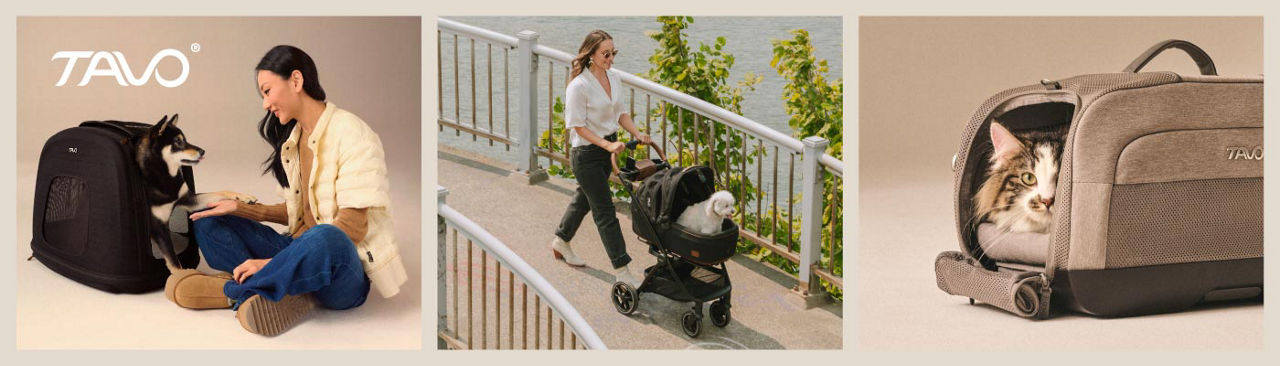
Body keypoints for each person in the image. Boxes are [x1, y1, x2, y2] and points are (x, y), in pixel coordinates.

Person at [163, 45, 407, 337]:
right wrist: (241, 209)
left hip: (342, 270)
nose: (265, 104)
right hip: (297, 249)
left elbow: (351, 228)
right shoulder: (295, 139)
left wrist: (270, 263)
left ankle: (232, 292)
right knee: (207, 217)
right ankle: (286, 288)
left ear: (295, 80)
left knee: (326, 235)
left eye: (267, 91)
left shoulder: (353, 134)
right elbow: (301, 213)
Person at [550, 30, 651, 287]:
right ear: (591, 54)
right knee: (605, 212)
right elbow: (577, 126)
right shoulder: (579, 86)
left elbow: (620, 114)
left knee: (584, 198)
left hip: (609, 151)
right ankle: (623, 270)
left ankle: (561, 241)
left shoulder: (614, 78)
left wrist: (637, 133)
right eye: (605, 54)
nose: (610, 59)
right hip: (587, 154)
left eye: (613, 53)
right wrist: (607, 144)